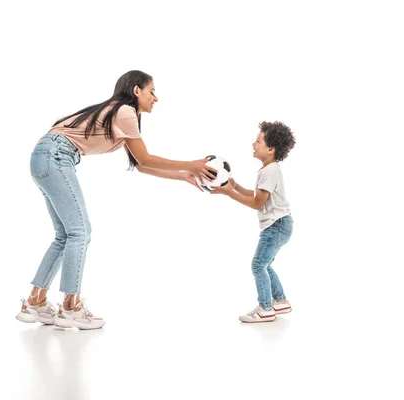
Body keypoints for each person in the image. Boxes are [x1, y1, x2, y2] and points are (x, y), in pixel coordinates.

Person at [16, 70, 217, 329]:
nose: (156, 97)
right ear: (137, 90)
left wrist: (184, 175)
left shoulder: (119, 113)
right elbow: (145, 159)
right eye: (151, 91)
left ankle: (35, 302)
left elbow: (140, 165)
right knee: (80, 232)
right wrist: (192, 164)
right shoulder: (125, 111)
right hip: (55, 156)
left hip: (44, 155)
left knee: (66, 235)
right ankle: (70, 307)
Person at [211, 121, 296, 323]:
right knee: (265, 264)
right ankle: (280, 300)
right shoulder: (268, 169)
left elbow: (258, 203)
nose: (253, 144)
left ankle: (266, 308)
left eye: (258, 141)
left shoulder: (270, 171)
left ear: (271, 148)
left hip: (276, 226)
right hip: (280, 225)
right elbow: (258, 194)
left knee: (258, 265)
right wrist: (236, 187)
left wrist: (229, 193)